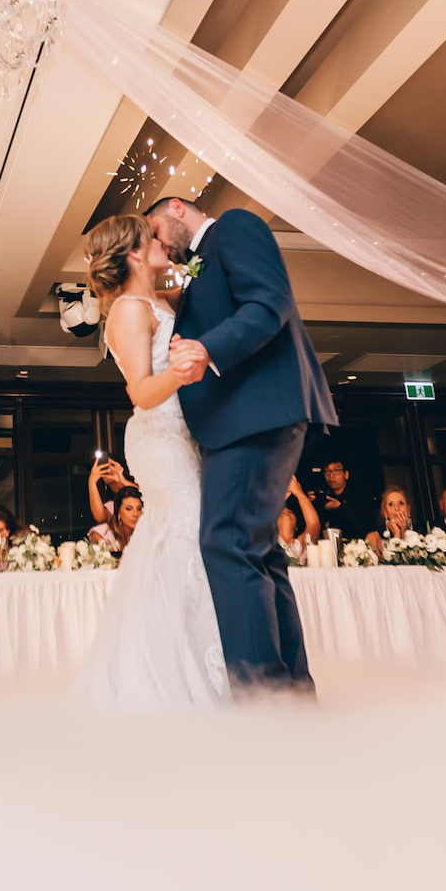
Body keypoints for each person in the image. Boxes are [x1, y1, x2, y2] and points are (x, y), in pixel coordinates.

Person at [150, 196, 336, 698]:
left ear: (176, 207)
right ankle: (291, 695)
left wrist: (209, 348)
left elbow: (269, 301)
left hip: (255, 415)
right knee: (258, 553)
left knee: (226, 543)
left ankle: (263, 699)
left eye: (156, 231)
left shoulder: (233, 226)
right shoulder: (194, 267)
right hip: (243, 420)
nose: (160, 247)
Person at [77, 213, 229, 707]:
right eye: (152, 235)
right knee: (186, 532)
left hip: (185, 434)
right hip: (159, 437)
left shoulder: (160, 300)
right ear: (137, 252)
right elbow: (141, 391)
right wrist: (185, 372)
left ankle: (185, 658)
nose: (163, 240)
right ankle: (174, 673)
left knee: (181, 539)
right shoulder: (126, 309)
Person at [308, 459, 379, 544]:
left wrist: (339, 507)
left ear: (346, 474)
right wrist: (308, 504)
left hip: (357, 545)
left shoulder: (359, 495)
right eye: (327, 471)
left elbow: (367, 525)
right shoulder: (324, 495)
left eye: (336, 470)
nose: (331, 475)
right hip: (329, 545)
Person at [88, 488, 143, 555]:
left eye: (139, 509)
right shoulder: (103, 534)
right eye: (128, 509)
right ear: (118, 512)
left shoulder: (143, 534)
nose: (135, 514)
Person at [84, 455, 133, 528]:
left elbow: (146, 496)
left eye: (112, 465)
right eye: (104, 467)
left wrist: (123, 481)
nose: (108, 469)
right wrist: (92, 483)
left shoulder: (137, 485)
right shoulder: (112, 503)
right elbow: (101, 518)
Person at [275, 475, 321, 552]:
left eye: (291, 512)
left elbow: (313, 523)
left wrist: (298, 492)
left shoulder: (300, 544)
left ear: (296, 526)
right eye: (281, 512)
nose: (286, 511)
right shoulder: (265, 543)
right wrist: (283, 497)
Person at [365, 487, 415, 556]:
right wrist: (397, 535)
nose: (397, 508)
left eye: (401, 503)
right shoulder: (374, 537)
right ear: (385, 512)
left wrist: (404, 533)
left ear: (408, 509)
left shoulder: (422, 535)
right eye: (391, 504)